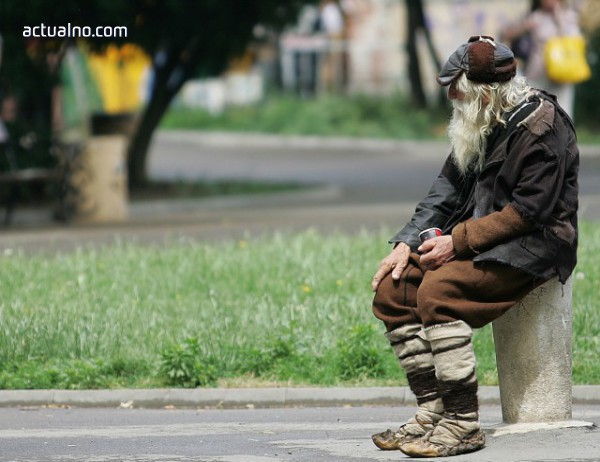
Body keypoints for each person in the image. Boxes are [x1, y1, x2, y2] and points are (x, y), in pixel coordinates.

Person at [369, 35, 578, 458]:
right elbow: (445, 190)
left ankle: (463, 425)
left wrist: (457, 242)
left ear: (484, 91)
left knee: (438, 293)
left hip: (535, 244)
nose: (451, 95)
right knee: (394, 291)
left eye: (456, 87)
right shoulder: (482, 117)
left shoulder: (541, 126)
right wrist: (406, 244)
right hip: (486, 235)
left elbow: (528, 212)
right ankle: (435, 412)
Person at [502, 0, 583, 118]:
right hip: (538, 72)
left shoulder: (569, 16)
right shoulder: (536, 16)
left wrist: (558, 16)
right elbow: (507, 35)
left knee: (563, 113)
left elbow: (573, 41)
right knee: (533, 112)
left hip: (562, 73)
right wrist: (524, 27)